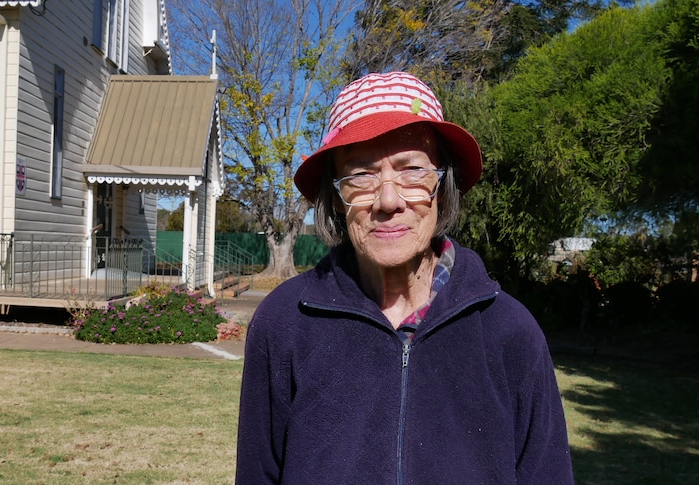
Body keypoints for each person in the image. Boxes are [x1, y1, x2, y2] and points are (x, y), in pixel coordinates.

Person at [235, 72, 573, 483]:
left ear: (442, 188)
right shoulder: (285, 322)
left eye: (412, 171)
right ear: (336, 198)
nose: (389, 200)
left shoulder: (510, 332)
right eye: (361, 175)